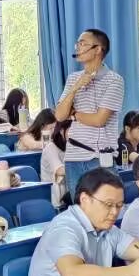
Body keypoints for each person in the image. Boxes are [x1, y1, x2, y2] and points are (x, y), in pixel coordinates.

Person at [53, 29, 125, 201]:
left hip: (99, 157)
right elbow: (60, 116)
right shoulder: (73, 78)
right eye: (77, 44)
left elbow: (99, 120)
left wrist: (74, 115)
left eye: (83, 43)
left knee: (105, 205)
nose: (78, 47)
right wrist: (75, 87)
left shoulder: (114, 80)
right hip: (73, 156)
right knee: (79, 207)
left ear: (98, 49)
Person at [40, 119, 72, 205]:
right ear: (61, 131)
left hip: (68, 193)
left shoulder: (71, 146)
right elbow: (60, 171)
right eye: (72, 129)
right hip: (54, 199)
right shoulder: (50, 148)